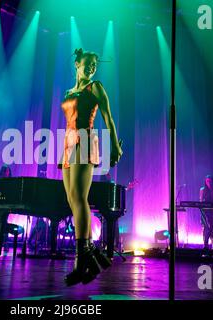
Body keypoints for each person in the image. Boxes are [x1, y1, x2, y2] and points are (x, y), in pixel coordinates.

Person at [59, 48, 123, 286]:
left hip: (86, 140)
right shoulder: (68, 91)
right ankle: (91, 254)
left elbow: (108, 117)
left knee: (79, 197)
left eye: (95, 64)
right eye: (88, 63)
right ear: (77, 63)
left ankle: (81, 261)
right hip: (68, 142)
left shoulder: (95, 87)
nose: (92, 67)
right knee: (71, 199)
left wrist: (115, 147)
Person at [199, 175, 213, 250]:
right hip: (205, 212)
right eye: (207, 181)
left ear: (212, 181)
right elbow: (200, 202)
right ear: (205, 181)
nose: (209, 182)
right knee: (206, 229)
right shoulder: (202, 190)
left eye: (210, 181)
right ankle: (205, 246)